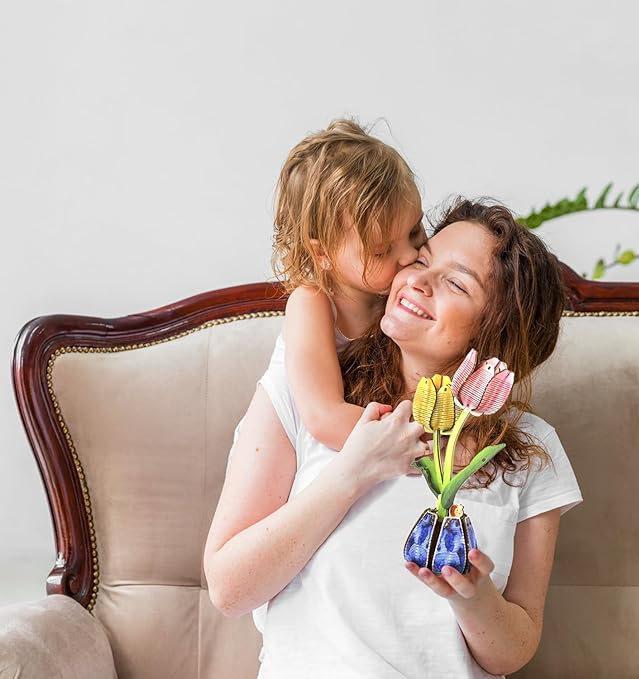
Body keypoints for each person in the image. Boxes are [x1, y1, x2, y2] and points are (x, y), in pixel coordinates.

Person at [204, 199, 583, 678]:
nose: (418, 281)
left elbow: (513, 650)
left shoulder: (530, 448)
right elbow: (229, 589)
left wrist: (473, 598)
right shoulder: (309, 393)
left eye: (456, 283)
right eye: (422, 260)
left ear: (497, 330)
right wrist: (352, 472)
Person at [272, 118, 426, 451]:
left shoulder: (395, 293)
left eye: (414, 231)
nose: (410, 254)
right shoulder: (312, 302)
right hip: (284, 426)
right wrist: (425, 441)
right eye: (381, 250)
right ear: (323, 253)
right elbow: (325, 417)